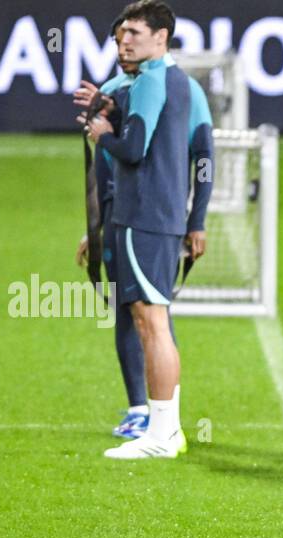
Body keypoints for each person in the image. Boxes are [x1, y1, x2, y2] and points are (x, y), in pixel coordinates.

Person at [75, 10, 212, 442]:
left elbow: (202, 158)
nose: (122, 46)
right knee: (128, 308)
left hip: (149, 215)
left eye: (131, 35)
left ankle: (162, 416)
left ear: (161, 37)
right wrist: (95, 223)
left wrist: (198, 219)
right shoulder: (121, 87)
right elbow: (106, 161)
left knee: (153, 314)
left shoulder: (180, 89)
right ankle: (142, 407)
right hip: (121, 214)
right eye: (117, 39)